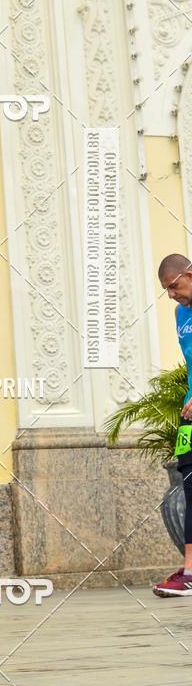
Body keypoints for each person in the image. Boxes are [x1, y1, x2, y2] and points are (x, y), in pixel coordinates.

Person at [154, 253, 192, 597]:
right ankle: (191, 570)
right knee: (190, 484)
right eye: (166, 290)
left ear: (190, 274)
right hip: (191, 413)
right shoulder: (180, 313)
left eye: (174, 286)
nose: (171, 294)